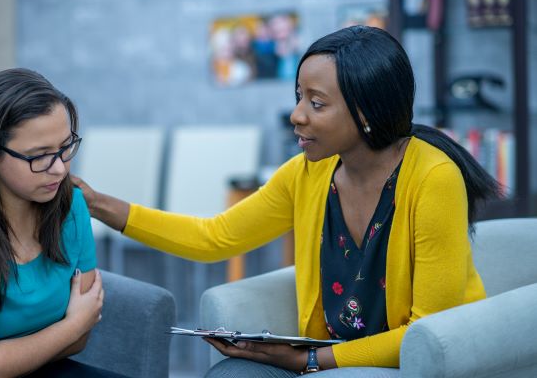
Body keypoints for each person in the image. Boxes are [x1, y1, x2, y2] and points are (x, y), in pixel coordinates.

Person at [72, 26, 501, 376]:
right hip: (327, 359)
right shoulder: (308, 172)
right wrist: (98, 204)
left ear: (366, 114)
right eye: (299, 97)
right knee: (230, 375)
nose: (297, 115)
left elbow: (427, 333)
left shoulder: (434, 178)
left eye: (316, 103)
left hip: (411, 365)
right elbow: (214, 237)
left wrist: (308, 360)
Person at [0, 68, 127, 377]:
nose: (59, 169)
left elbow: (80, 341)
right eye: (39, 156)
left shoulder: (72, 205)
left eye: (65, 147)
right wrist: (73, 324)